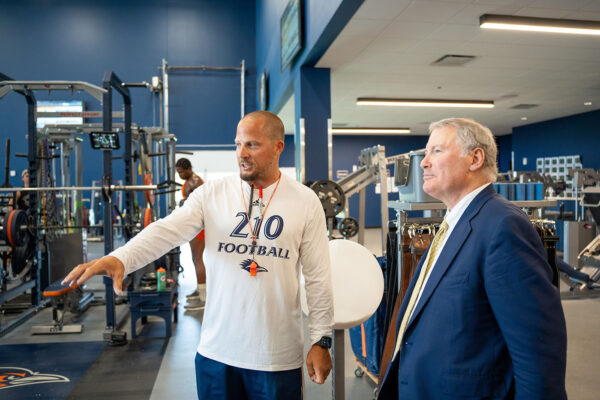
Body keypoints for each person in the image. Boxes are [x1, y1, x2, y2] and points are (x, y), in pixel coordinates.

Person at [63, 111, 334, 399]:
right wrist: (121, 258)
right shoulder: (213, 193)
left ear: (278, 147)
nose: (242, 153)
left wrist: (321, 340)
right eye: (238, 144)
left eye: (252, 145)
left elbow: (318, 277)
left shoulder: (305, 202)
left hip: (276, 357)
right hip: (217, 353)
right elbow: (167, 230)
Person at [377, 118, 567, 399]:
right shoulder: (454, 222)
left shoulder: (503, 226)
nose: (423, 163)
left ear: (475, 158)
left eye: (437, 151)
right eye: (426, 153)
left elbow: (538, 349)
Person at [175, 157, 207, 311]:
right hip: (195, 224)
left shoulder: (195, 182)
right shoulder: (191, 181)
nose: (180, 175)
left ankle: (204, 298)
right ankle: (199, 289)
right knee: (195, 258)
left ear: (188, 169)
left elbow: (199, 203)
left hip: (199, 225)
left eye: (181, 171)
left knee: (197, 258)